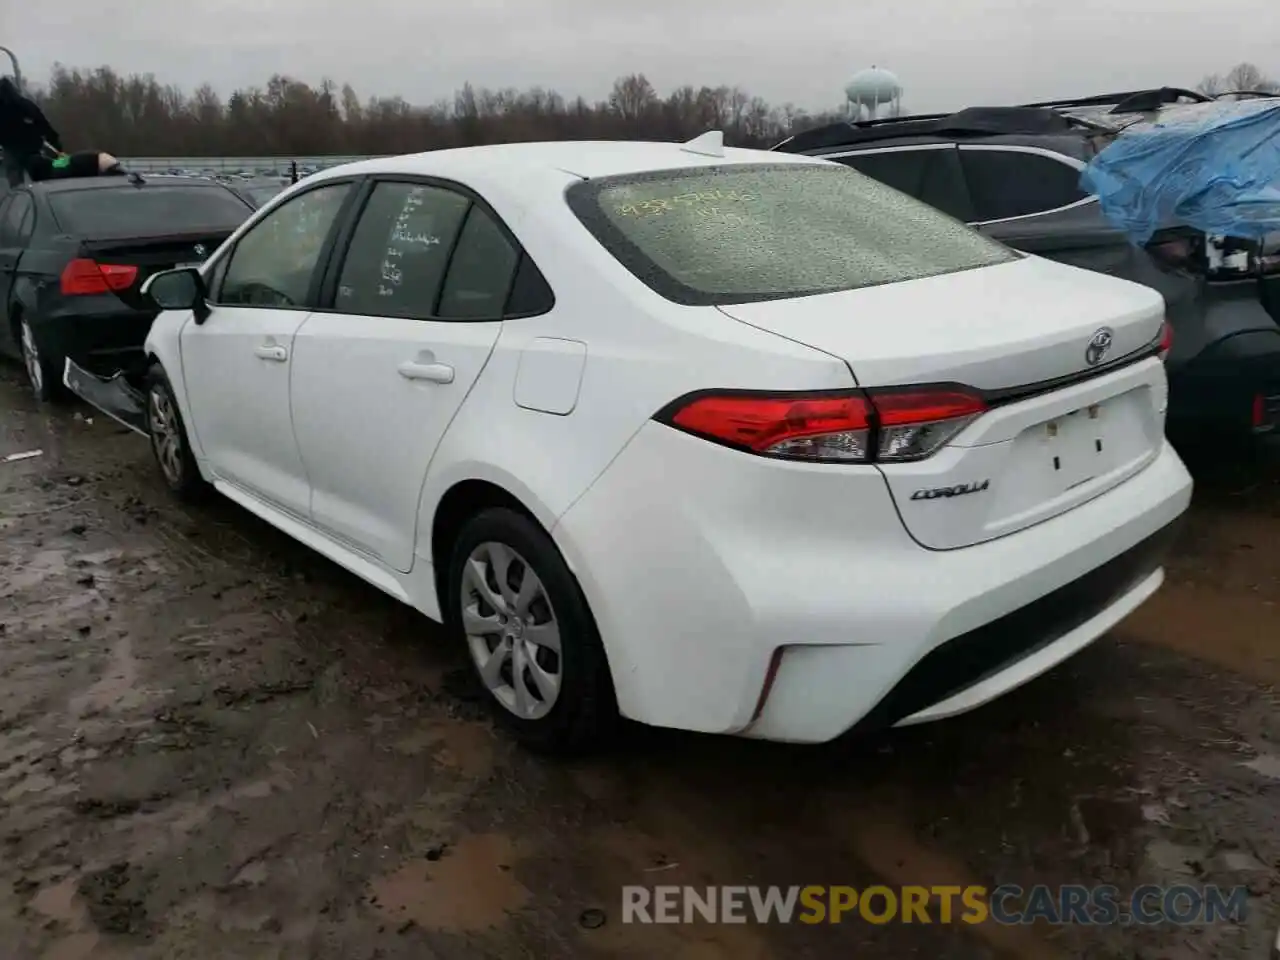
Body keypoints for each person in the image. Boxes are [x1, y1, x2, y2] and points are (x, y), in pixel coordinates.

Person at [0, 76, 63, 187]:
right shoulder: (25, 105)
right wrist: (57, 146)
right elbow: (44, 125)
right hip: (31, 150)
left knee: (15, 182)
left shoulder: (3, 109)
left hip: (12, 150)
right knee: (40, 180)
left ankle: (18, 197)